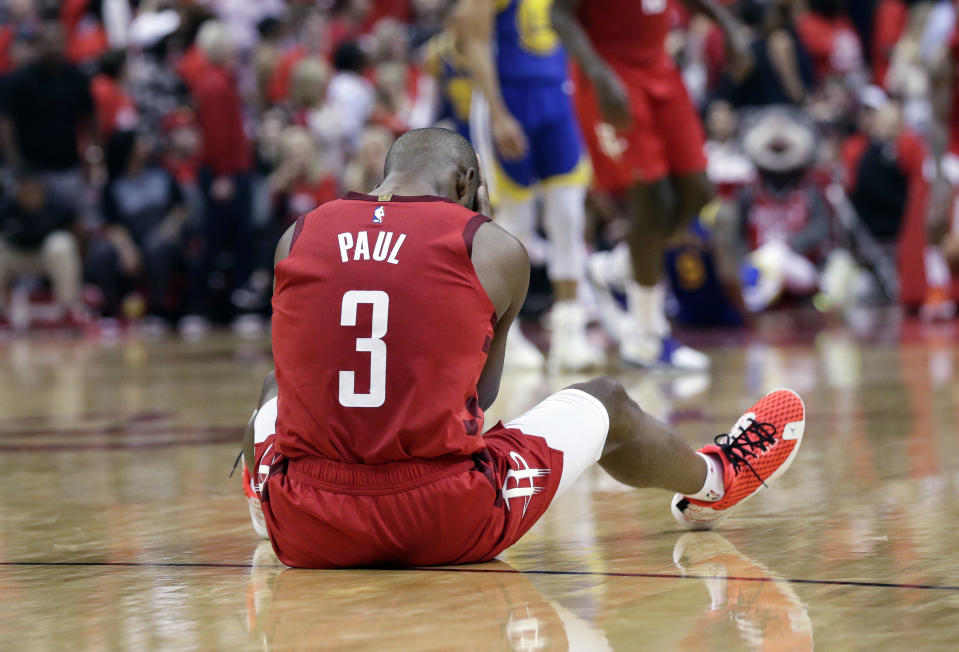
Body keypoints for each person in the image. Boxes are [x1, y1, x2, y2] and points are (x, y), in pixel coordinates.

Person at [239, 128, 806, 569]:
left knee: (274, 388)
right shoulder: (489, 246)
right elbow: (479, 399)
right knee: (606, 401)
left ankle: (264, 507)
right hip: (441, 518)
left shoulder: (301, 232)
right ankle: (715, 479)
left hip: (308, 525)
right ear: (465, 181)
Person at [552, 0, 750, 369]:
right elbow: (558, 14)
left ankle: (618, 267)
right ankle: (647, 337)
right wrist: (596, 72)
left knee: (699, 191)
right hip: (610, 73)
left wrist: (729, 25)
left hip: (658, 66)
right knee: (652, 200)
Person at [453, 0, 603, 372]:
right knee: (512, 223)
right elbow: (471, 41)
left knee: (569, 215)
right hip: (509, 98)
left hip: (556, 96)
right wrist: (500, 114)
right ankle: (505, 334)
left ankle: (570, 332)